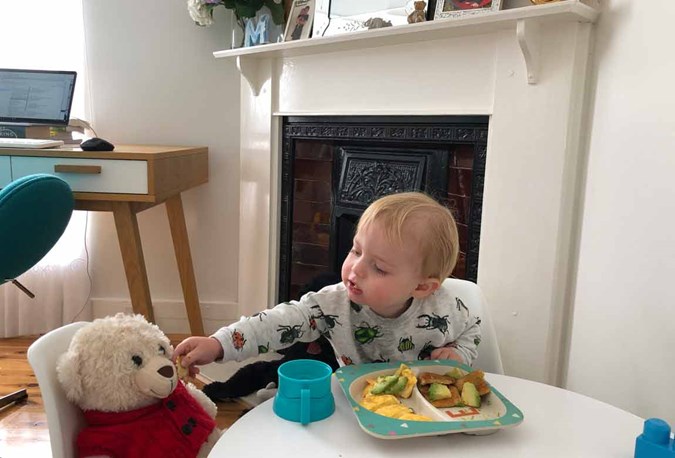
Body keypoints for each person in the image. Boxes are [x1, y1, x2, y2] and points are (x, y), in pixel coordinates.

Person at [174, 191, 482, 377]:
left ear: (422, 287)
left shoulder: (444, 308)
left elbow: (473, 327)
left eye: (379, 267)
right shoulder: (331, 304)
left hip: (422, 408)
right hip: (355, 405)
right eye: (356, 250)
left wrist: (459, 354)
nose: (355, 269)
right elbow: (276, 323)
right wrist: (218, 344)